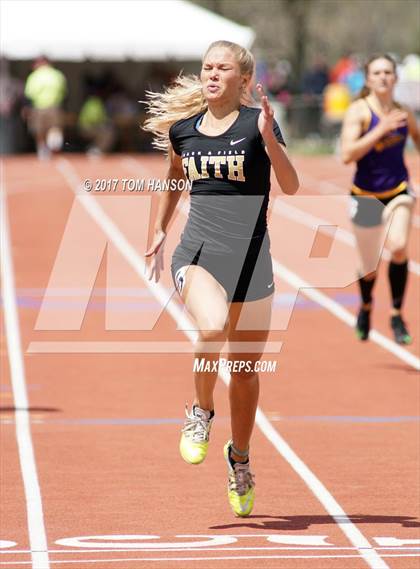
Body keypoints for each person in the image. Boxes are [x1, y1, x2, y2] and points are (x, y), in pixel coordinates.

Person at [143, 40, 299, 517]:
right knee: (210, 330)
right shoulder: (183, 131)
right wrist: (159, 230)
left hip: (252, 261)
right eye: (207, 67)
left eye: (223, 68)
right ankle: (200, 412)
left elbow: (290, 186)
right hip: (198, 255)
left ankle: (241, 459)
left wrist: (272, 144)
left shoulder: (258, 125)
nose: (211, 74)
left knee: (247, 374)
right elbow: (173, 178)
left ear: (243, 80)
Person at [341, 54, 420, 344]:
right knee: (368, 264)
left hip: (399, 190)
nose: (384, 77)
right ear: (369, 79)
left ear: (395, 78)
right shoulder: (359, 112)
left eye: (388, 72)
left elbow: (416, 136)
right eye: (377, 72)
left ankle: (397, 314)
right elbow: (348, 155)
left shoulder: (403, 112)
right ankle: (365, 306)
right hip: (365, 195)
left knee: (398, 247)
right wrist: (381, 130)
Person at [24, 56, 67, 160]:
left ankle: (43, 150)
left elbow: (29, 94)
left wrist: (26, 108)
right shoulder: (57, 75)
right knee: (54, 128)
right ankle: (53, 148)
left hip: (39, 107)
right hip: (54, 106)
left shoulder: (34, 75)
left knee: (39, 131)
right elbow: (64, 93)